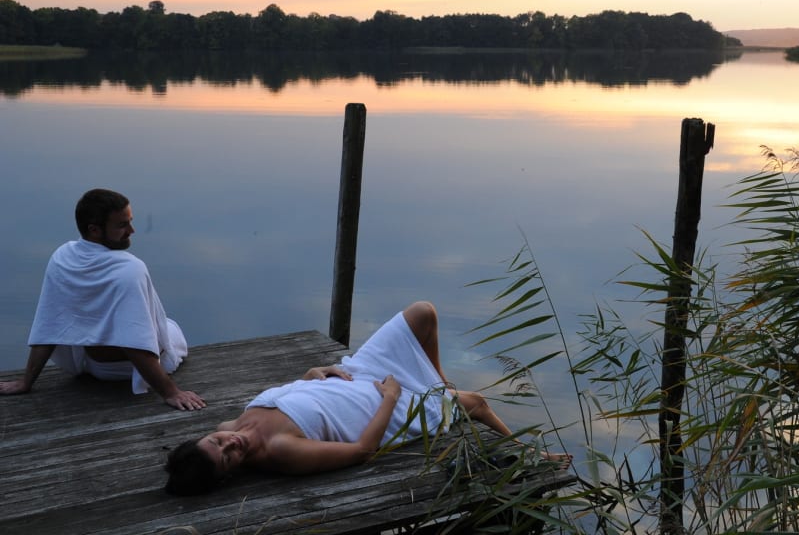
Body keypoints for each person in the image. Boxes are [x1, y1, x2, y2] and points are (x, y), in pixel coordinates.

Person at [164, 301, 570, 495]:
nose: (230, 443)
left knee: (423, 314)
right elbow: (362, 450)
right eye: (229, 457)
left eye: (218, 443)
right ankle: (531, 454)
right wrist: (391, 399)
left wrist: (310, 375)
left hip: (356, 376)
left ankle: (438, 381)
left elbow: (289, 400)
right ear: (230, 473)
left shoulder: (230, 426)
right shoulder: (280, 451)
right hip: (384, 408)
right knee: (477, 402)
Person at [0, 188, 205, 411]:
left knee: (158, 324)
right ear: (95, 230)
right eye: (122, 225)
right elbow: (135, 343)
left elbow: (49, 324)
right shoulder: (129, 269)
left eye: (130, 222)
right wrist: (171, 392)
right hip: (126, 369)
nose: (131, 230)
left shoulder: (62, 257)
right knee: (172, 329)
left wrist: (25, 382)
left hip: (92, 365)